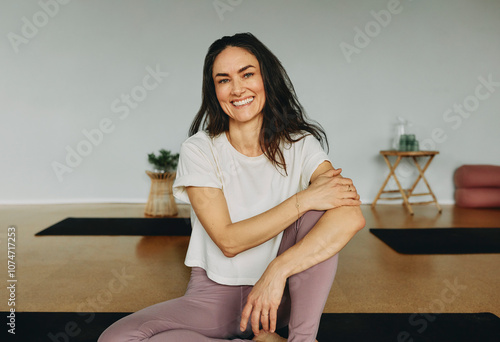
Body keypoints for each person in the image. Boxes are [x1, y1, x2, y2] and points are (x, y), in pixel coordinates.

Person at [99, 32, 365, 342]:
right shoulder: (199, 149)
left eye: (247, 74)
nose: (237, 89)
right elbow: (228, 241)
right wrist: (303, 198)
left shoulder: (300, 145)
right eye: (223, 80)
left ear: (267, 77)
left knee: (323, 210)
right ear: (214, 91)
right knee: (116, 340)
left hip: (275, 302)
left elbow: (350, 215)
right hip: (211, 298)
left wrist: (277, 271)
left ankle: (302, 339)